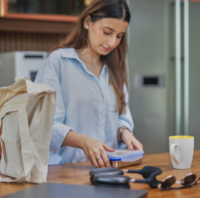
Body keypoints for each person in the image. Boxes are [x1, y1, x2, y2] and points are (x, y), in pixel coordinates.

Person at [35, 0, 143, 168]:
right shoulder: (59, 62)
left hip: (109, 171)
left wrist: (125, 132)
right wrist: (83, 141)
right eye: (107, 32)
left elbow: (122, 115)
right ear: (87, 22)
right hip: (65, 171)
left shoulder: (115, 69)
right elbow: (43, 124)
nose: (112, 42)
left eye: (119, 36)